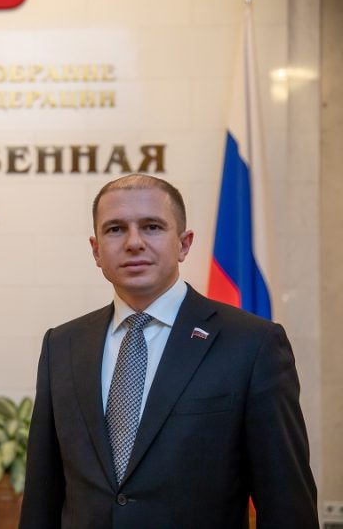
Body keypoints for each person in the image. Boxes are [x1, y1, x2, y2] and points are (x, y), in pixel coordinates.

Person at [19, 174, 318, 529]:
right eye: (115, 229)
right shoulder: (62, 345)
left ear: (184, 243)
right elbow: (42, 494)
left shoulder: (252, 343)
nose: (134, 242)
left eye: (152, 227)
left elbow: (286, 501)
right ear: (96, 250)